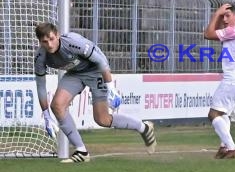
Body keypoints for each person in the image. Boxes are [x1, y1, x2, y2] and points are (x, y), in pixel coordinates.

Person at [34, 23, 157, 163]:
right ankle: (81, 151)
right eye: (45, 41)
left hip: (96, 70)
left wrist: (111, 88)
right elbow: (41, 86)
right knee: (57, 105)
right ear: (40, 42)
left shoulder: (73, 43)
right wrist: (46, 116)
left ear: (57, 35)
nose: (49, 44)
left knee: (102, 120)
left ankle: (144, 127)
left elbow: (101, 61)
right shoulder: (40, 57)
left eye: (51, 39)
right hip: (75, 73)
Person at [203, 4, 235, 159]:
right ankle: (224, 146)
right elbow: (217, 33)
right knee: (223, 113)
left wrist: (217, 13)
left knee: (213, 114)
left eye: (227, 15)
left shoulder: (234, 30)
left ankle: (232, 147)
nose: (224, 19)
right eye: (223, 16)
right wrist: (220, 16)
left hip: (234, 79)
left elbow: (208, 34)